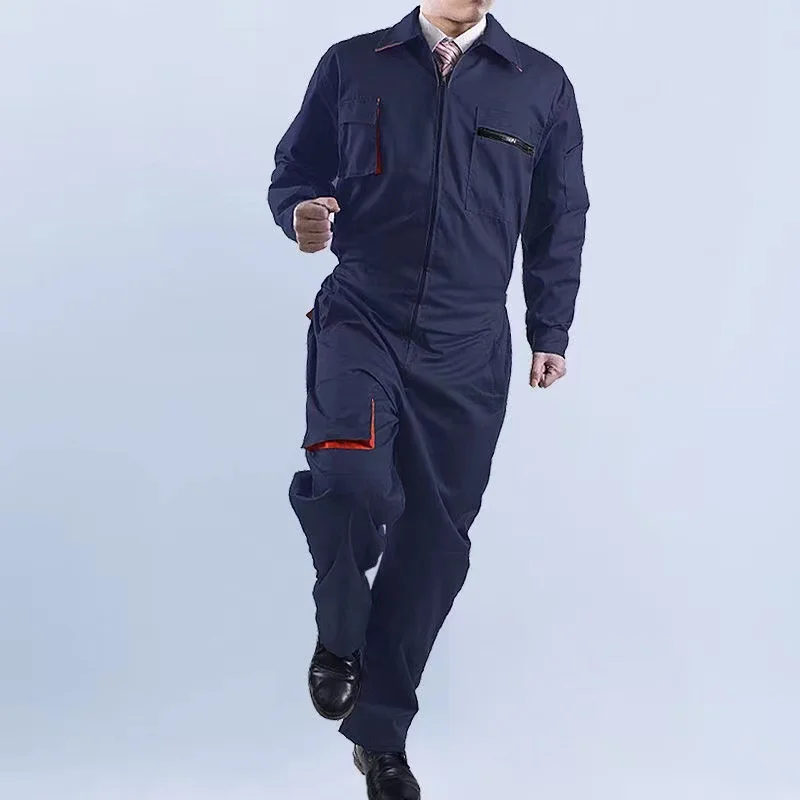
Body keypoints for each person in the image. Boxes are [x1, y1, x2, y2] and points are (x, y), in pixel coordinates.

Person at [268, 1, 589, 796]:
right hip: (362, 316)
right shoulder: (353, 63)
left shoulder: (540, 83)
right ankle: (341, 629)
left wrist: (550, 327)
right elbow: (297, 170)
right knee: (349, 479)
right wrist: (301, 211)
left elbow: (559, 214)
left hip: (468, 341)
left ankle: (380, 740)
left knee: (436, 545)